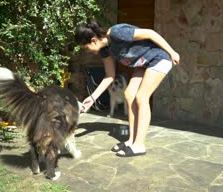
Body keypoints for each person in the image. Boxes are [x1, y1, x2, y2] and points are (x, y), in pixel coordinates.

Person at [75, 18, 180, 157]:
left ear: (94, 40)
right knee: (129, 94)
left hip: (159, 59)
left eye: (85, 47)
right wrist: (93, 97)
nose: (86, 51)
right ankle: (131, 140)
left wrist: (172, 52)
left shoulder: (117, 33)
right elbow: (110, 75)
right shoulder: (105, 50)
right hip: (143, 65)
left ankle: (139, 145)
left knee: (141, 97)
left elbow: (150, 33)